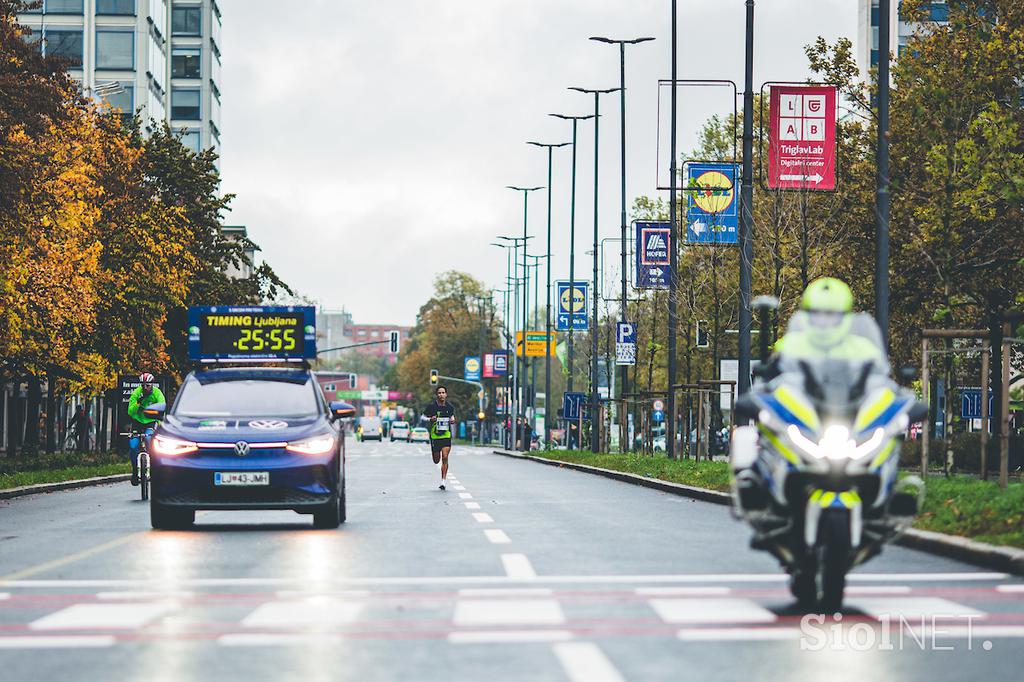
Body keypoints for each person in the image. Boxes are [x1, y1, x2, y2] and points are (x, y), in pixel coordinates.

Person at [773, 278, 884, 362]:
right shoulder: (787, 347)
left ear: (845, 315)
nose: (823, 320)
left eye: (830, 314)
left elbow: (879, 383)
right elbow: (768, 384)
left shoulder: (864, 349)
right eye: (815, 313)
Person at [127, 372, 165, 486]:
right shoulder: (136, 393)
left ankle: (153, 466)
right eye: (143, 385)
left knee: (149, 440)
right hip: (137, 421)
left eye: (147, 385)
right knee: (133, 445)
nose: (145, 387)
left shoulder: (157, 394)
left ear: (152, 384)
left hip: (151, 421)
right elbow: (130, 412)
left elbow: (161, 410)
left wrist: (159, 424)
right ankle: (135, 471)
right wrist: (138, 402)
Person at [422, 385, 455, 490]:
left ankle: (443, 481)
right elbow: (422, 417)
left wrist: (453, 419)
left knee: (445, 457)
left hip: (446, 434)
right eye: (439, 393)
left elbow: (452, 416)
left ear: (446, 394)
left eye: (443, 392)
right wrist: (430, 419)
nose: (441, 394)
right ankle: (436, 456)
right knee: (436, 460)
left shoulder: (450, 407)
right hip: (435, 436)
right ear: (437, 395)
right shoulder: (432, 406)